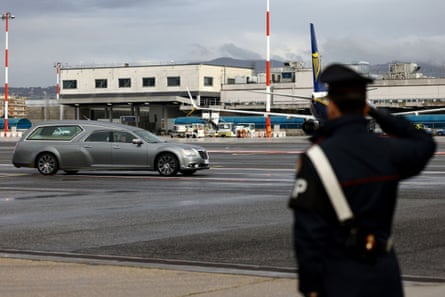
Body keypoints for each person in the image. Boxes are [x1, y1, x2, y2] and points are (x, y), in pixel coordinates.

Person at [288, 63, 436, 297]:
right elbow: (425, 142)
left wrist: (311, 287)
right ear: (364, 106)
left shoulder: (316, 158)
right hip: (384, 274)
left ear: (332, 107)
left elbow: (307, 233)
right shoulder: (388, 151)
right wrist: (380, 114)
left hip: (338, 276)